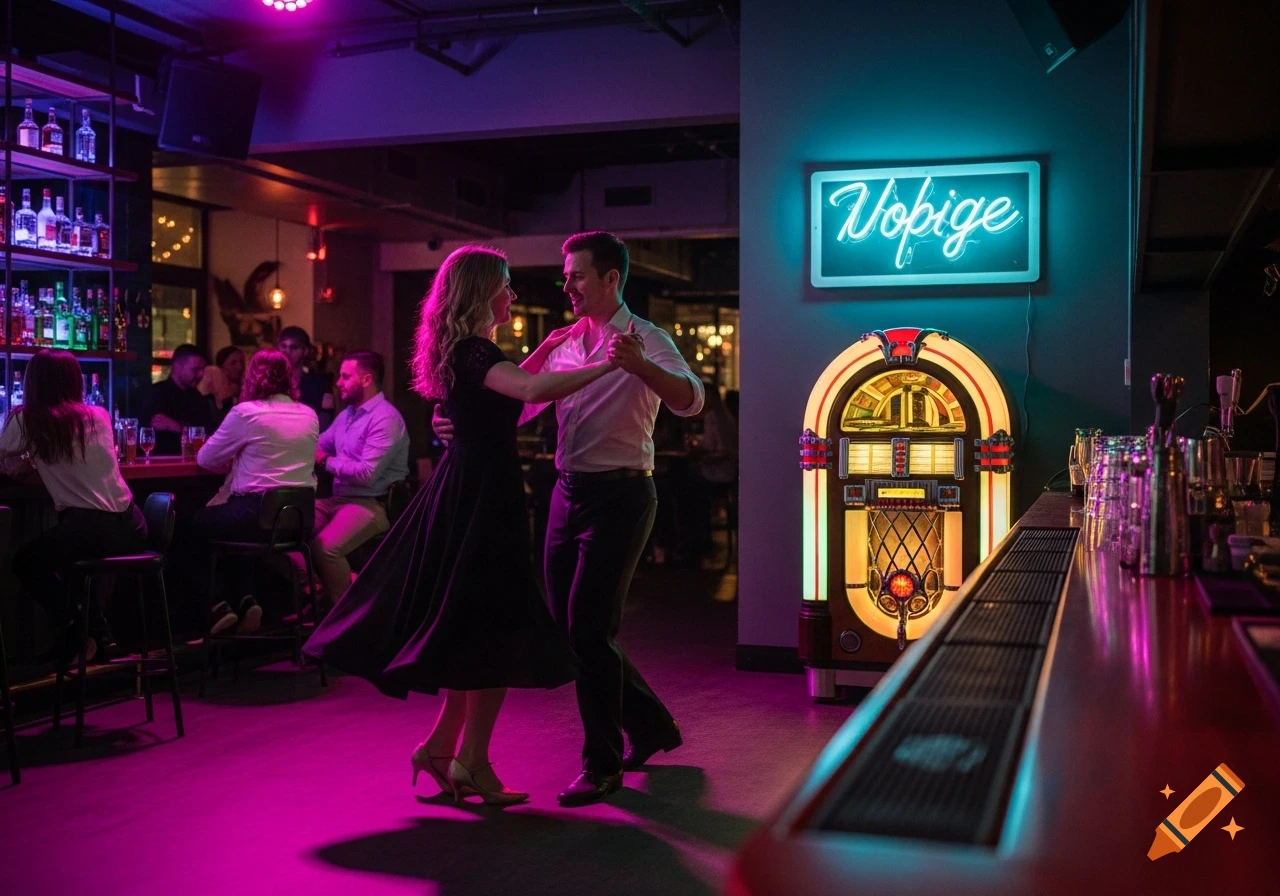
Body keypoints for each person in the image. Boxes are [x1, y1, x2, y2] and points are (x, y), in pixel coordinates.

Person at [305, 245, 614, 806]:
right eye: (506, 284)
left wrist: (546, 347)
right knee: (493, 627)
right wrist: (613, 363)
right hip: (479, 497)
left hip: (473, 491)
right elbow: (529, 393)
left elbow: (510, 400)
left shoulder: (469, 351)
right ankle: (470, 762)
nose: (513, 295)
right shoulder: (473, 351)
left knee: (474, 627)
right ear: (480, 292)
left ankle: (446, 752)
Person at [433, 231, 705, 806]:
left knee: (588, 628)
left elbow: (690, 399)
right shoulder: (563, 342)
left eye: (577, 276)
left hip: (623, 496)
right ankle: (652, 724)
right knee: (573, 628)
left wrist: (641, 368)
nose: (567, 286)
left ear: (610, 279)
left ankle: (602, 764)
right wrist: (457, 423)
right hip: (567, 491)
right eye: (566, 276)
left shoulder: (646, 338)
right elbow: (522, 402)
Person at [1, 350, 146, 664]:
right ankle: (92, 637)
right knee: (74, 558)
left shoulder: (27, 419)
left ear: (32, 383)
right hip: (132, 523)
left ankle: (78, 626)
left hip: (90, 529)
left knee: (26, 562)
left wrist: (25, 462)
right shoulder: (99, 414)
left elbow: (4, 455)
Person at [191, 349, 319, 635]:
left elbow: (206, 459)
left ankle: (219, 606)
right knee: (235, 524)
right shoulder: (309, 415)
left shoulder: (246, 413)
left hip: (255, 515)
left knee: (197, 523)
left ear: (253, 377)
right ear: (289, 378)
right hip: (296, 522)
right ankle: (248, 600)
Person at [295, 349, 409, 607]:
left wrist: (325, 460)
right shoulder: (347, 415)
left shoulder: (386, 419)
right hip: (338, 499)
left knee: (326, 548)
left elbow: (367, 475)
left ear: (366, 380)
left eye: (345, 376)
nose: (338, 382)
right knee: (280, 527)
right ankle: (321, 590)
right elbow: (317, 443)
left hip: (372, 504)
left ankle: (343, 618)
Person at [142, 343, 218, 456]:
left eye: (203, 370)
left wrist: (176, 427)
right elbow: (146, 435)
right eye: (196, 369)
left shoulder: (200, 400)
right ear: (177, 366)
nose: (201, 374)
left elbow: (208, 437)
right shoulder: (155, 394)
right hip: (160, 465)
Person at [277, 326, 336, 431]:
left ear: (305, 351)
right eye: (283, 346)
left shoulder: (318, 384)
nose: (287, 351)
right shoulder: (271, 380)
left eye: (293, 347)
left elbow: (324, 425)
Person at [198, 346, 246, 412]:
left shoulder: (246, 389)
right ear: (221, 366)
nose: (240, 367)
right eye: (233, 363)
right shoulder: (213, 391)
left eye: (242, 362)